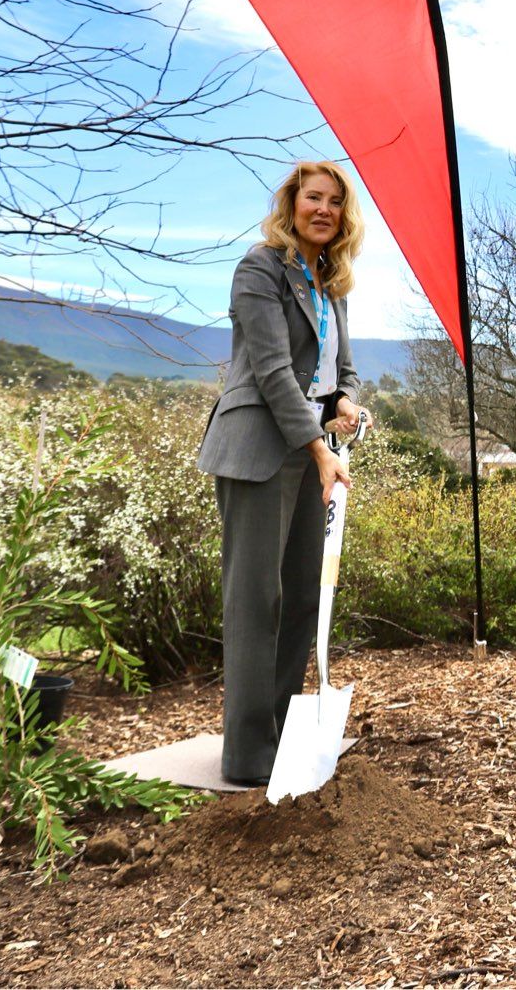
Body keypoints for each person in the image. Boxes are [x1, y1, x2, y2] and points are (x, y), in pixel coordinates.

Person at [197, 161, 370, 787]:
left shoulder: (332, 282)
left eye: (334, 201)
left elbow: (341, 370)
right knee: (255, 599)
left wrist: (345, 403)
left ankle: (276, 736)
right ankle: (245, 754)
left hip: (307, 450)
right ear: (292, 204)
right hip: (258, 448)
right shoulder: (259, 267)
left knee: (301, 596)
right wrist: (320, 448)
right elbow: (272, 371)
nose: (322, 209)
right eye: (312, 198)